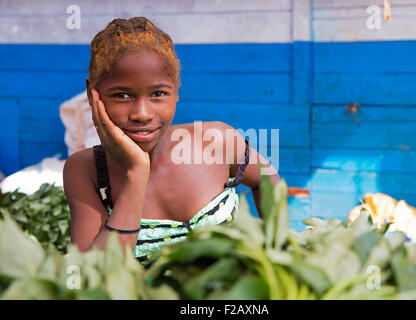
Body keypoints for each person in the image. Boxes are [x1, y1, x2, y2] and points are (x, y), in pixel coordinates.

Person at [63, 17, 280, 264]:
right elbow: (90, 275)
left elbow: (267, 179)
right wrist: (137, 173)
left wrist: (275, 250)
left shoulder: (216, 141)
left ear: (177, 90)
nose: (142, 114)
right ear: (93, 95)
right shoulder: (85, 170)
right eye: (122, 95)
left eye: (158, 94)